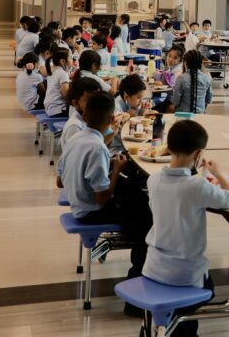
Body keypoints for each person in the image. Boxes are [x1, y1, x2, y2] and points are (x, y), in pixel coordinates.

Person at [142, 119, 229, 336]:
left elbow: (189, 190)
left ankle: (162, 324)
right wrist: (219, 173)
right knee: (210, 289)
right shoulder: (196, 187)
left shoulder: (154, 180)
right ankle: (176, 325)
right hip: (185, 275)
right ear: (197, 154)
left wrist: (202, 175)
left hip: (153, 267)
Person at [56, 92, 150, 310]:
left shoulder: (76, 137)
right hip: (91, 210)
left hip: (77, 201)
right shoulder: (97, 148)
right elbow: (102, 198)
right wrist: (116, 170)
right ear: (110, 120)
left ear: (85, 116)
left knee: (138, 196)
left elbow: (60, 182)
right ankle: (137, 293)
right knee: (147, 223)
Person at [60, 77, 102, 149]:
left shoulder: (88, 118)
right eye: (91, 101)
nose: (97, 104)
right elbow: (80, 156)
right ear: (76, 103)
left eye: (99, 99)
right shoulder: (75, 127)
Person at [44, 49, 72, 117]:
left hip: (50, 108)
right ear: (62, 61)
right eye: (70, 58)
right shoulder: (62, 74)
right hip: (58, 110)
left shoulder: (52, 71)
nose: (71, 60)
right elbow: (66, 95)